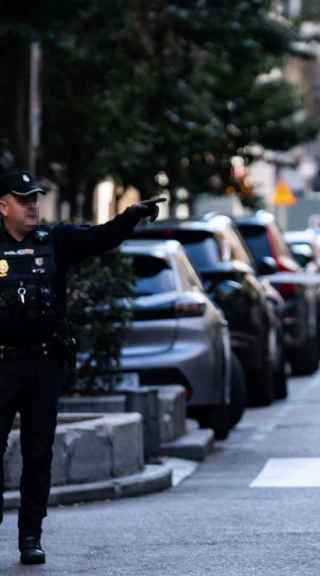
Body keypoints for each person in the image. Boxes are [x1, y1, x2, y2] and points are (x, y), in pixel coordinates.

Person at [0, 170, 163, 565]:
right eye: (24, 200)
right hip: (1, 365)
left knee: (39, 455)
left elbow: (98, 238)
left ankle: (30, 536)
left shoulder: (53, 242)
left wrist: (130, 217)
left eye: (35, 198)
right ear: (3, 206)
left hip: (42, 364)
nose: (33, 205)